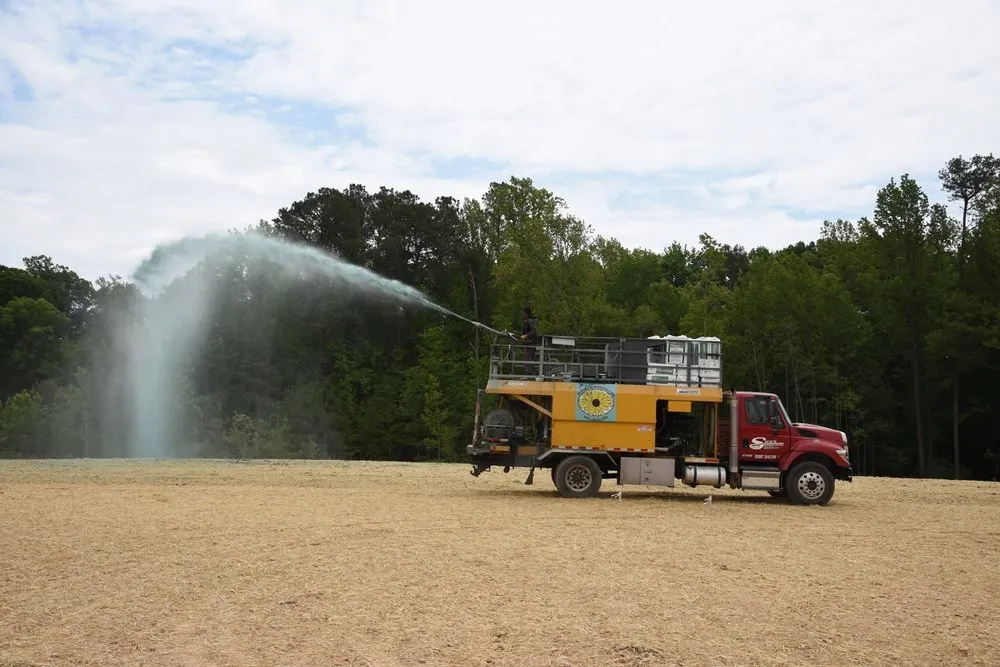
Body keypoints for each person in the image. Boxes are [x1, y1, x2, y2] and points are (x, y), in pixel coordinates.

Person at [519, 307, 540, 371]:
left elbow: (534, 331)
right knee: (529, 359)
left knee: (528, 359)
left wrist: (525, 335)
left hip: (530, 343)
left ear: (526, 313)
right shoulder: (531, 320)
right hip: (530, 343)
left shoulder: (530, 321)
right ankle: (530, 373)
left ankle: (529, 374)